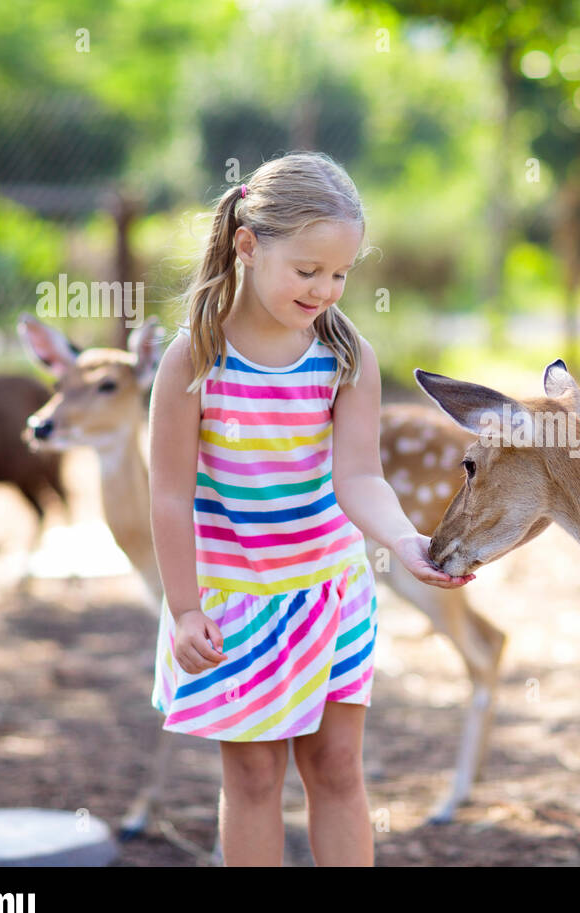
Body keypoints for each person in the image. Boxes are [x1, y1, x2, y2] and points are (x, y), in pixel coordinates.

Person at [148, 152, 473, 866]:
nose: (325, 289)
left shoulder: (347, 354)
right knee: (256, 776)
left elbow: (360, 476)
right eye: (307, 271)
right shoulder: (194, 359)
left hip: (329, 597)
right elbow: (168, 494)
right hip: (234, 604)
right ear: (248, 244)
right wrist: (183, 608)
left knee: (335, 769)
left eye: (340, 274)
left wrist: (406, 541)